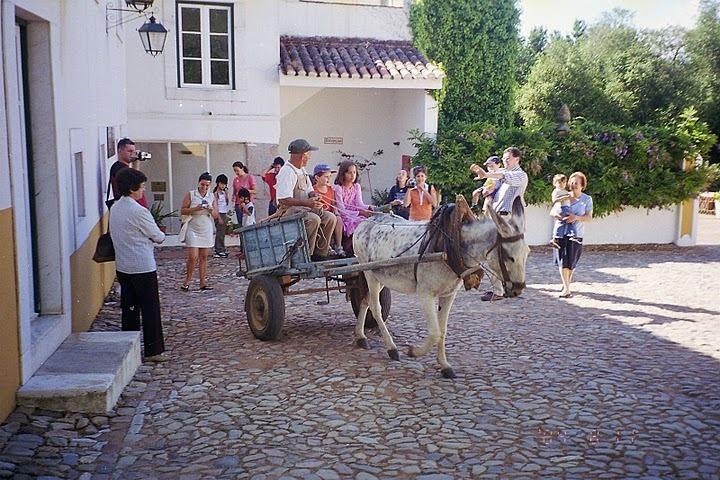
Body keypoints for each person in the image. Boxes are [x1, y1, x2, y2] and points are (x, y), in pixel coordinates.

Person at [109, 168, 167, 362]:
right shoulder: (139, 211)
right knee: (150, 310)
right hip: (142, 266)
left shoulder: (116, 208)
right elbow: (158, 236)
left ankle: (129, 349)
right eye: (141, 187)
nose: (143, 191)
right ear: (133, 188)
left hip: (123, 265)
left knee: (130, 309)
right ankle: (153, 350)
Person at [470, 147, 529, 301]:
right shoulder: (504, 174)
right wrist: (481, 188)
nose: (505, 161)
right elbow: (494, 184)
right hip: (499, 220)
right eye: (504, 158)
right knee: (495, 255)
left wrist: (486, 174)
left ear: (517, 159)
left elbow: (504, 175)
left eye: (508, 158)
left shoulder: (520, 175)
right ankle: (499, 289)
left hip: (509, 222)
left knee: (504, 256)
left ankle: (506, 288)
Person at [275, 139, 336, 262]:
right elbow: (283, 199)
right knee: (313, 219)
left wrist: (315, 195)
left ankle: (321, 254)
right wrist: (307, 203)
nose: (309, 158)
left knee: (330, 218)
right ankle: (306, 255)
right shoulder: (287, 172)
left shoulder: (301, 171)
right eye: (309, 155)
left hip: (303, 209)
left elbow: (309, 191)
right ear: (303, 156)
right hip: (288, 211)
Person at [555, 171, 593, 298]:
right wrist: (560, 216)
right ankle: (566, 288)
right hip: (562, 233)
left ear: (582, 185)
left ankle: (566, 284)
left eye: (576, 183)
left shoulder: (587, 199)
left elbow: (588, 217)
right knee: (563, 260)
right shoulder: (564, 196)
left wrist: (575, 217)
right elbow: (552, 211)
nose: (573, 185)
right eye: (572, 182)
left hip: (577, 234)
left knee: (571, 262)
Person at [180, 172, 216, 291]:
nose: (204, 187)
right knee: (193, 256)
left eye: (207, 185)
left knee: (204, 256)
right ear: (198, 183)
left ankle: (202, 282)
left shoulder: (211, 196)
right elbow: (183, 210)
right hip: (193, 225)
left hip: (205, 226)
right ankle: (187, 281)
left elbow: (216, 215)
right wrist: (196, 208)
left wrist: (211, 210)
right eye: (202, 184)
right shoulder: (191, 194)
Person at [334, 160, 375, 254]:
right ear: (343, 174)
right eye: (349, 172)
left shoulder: (356, 186)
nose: (352, 175)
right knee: (359, 222)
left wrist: (368, 207)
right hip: (345, 216)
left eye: (354, 172)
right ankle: (351, 248)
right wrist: (360, 213)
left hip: (355, 214)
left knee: (369, 221)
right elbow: (341, 209)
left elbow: (359, 204)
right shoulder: (338, 188)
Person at [313, 163, 345, 256]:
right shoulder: (313, 191)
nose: (328, 179)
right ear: (317, 178)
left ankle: (339, 246)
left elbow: (333, 203)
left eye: (329, 176)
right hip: (322, 214)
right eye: (326, 177)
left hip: (331, 213)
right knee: (327, 220)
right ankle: (327, 246)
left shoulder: (330, 189)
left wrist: (336, 211)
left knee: (338, 219)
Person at [110, 138, 148, 208]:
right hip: (130, 209)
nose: (132, 154)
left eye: (134, 151)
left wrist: (136, 161)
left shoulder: (125, 168)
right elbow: (135, 184)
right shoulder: (119, 169)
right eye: (130, 151)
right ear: (119, 151)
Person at [548, 174, 578, 249]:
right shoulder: (556, 191)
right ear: (555, 183)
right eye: (559, 183)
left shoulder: (564, 191)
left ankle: (569, 236)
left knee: (567, 221)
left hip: (567, 207)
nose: (562, 184)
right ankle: (558, 237)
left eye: (564, 183)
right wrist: (565, 197)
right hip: (562, 208)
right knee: (566, 221)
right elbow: (555, 200)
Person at [232, 161, 256, 226]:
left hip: (248, 203)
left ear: (242, 168)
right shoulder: (235, 180)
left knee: (249, 222)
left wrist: (246, 191)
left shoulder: (250, 177)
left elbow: (255, 191)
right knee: (240, 223)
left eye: (237, 170)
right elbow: (234, 192)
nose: (236, 173)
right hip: (238, 203)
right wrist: (233, 200)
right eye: (235, 171)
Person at [212, 174, 230, 258]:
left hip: (224, 212)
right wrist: (218, 217)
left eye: (225, 184)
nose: (223, 186)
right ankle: (218, 249)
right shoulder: (216, 193)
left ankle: (222, 248)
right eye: (222, 183)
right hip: (219, 213)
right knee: (219, 232)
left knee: (223, 232)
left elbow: (226, 202)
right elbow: (215, 205)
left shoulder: (223, 192)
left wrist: (226, 194)